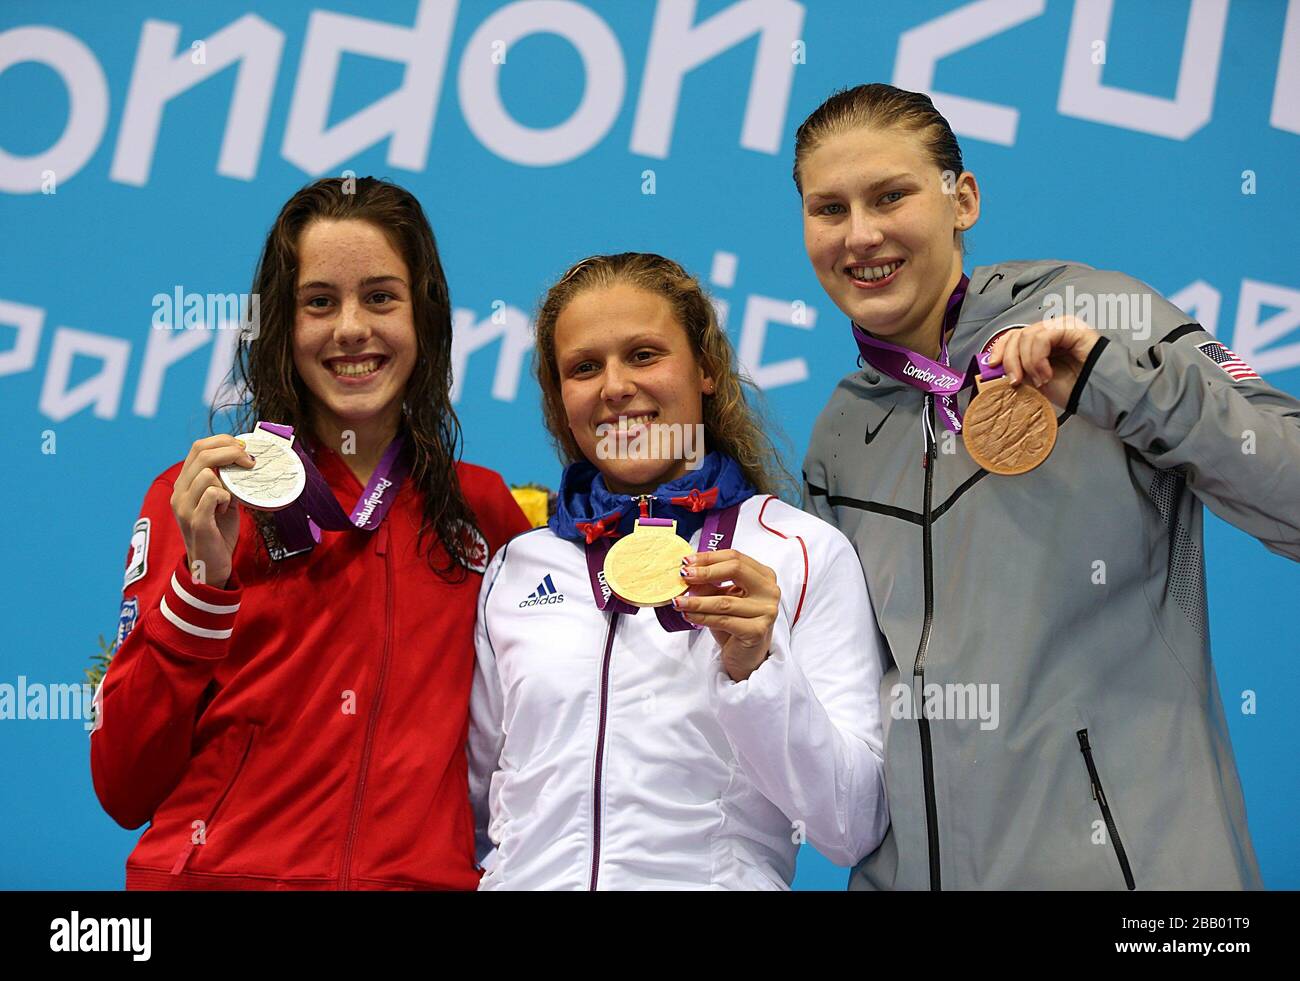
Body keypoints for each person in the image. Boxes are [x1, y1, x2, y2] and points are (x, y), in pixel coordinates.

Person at [795, 83, 1300, 890]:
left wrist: (1117, 379)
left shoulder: (1096, 313)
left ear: (962, 199)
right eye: (829, 209)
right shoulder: (839, 437)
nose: (861, 234)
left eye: (891, 195)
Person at [91, 177, 530, 889]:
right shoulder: (204, 495)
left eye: (381, 297)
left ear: (425, 318)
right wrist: (203, 588)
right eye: (318, 302)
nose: (351, 327)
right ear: (281, 327)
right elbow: (123, 785)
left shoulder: (480, 513)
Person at [467, 252, 889, 889]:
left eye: (643, 354)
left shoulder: (801, 552)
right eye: (584, 368)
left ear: (708, 370)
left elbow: (852, 825)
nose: (614, 387)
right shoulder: (517, 570)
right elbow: (475, 812)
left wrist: (758, 668)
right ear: (560, 400)